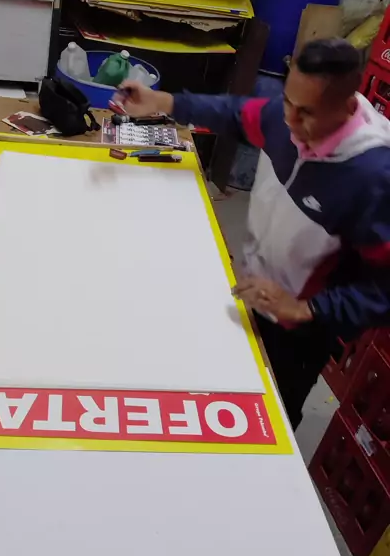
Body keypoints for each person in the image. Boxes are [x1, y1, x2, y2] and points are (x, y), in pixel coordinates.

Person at [113, 39, 390, 429]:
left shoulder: (374, 178)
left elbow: (384, 290)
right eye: (289, 102)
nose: (290, 121)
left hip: (299, 331)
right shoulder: (285, 118)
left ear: (347, 106)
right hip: (249, 289)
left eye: (307, 112)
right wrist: (164, 101)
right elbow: (235, 113)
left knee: (271, 416)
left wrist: (308, 309)